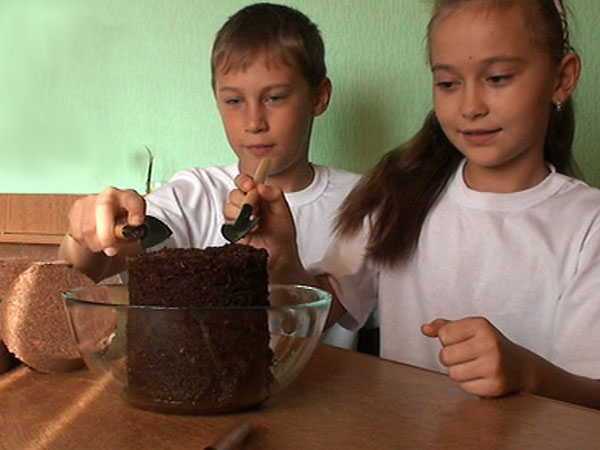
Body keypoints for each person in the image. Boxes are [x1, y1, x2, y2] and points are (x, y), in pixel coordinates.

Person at [226, 0, 600, 409]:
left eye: (497, 77)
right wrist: (281, 259)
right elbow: (320, 311)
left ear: (562, 78)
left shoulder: (587, 225)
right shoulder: (398, 195)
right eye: (448, 84)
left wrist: (527, 373)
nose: (471, 107)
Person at [59, 3, 361, 349]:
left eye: (275, 97)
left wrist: (282, 265)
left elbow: (320, 323)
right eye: (233, 101)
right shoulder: (195, 193)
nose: (254, 122)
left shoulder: (361, 202)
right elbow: (90, 268)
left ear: (319, 97)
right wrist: (86, 233)